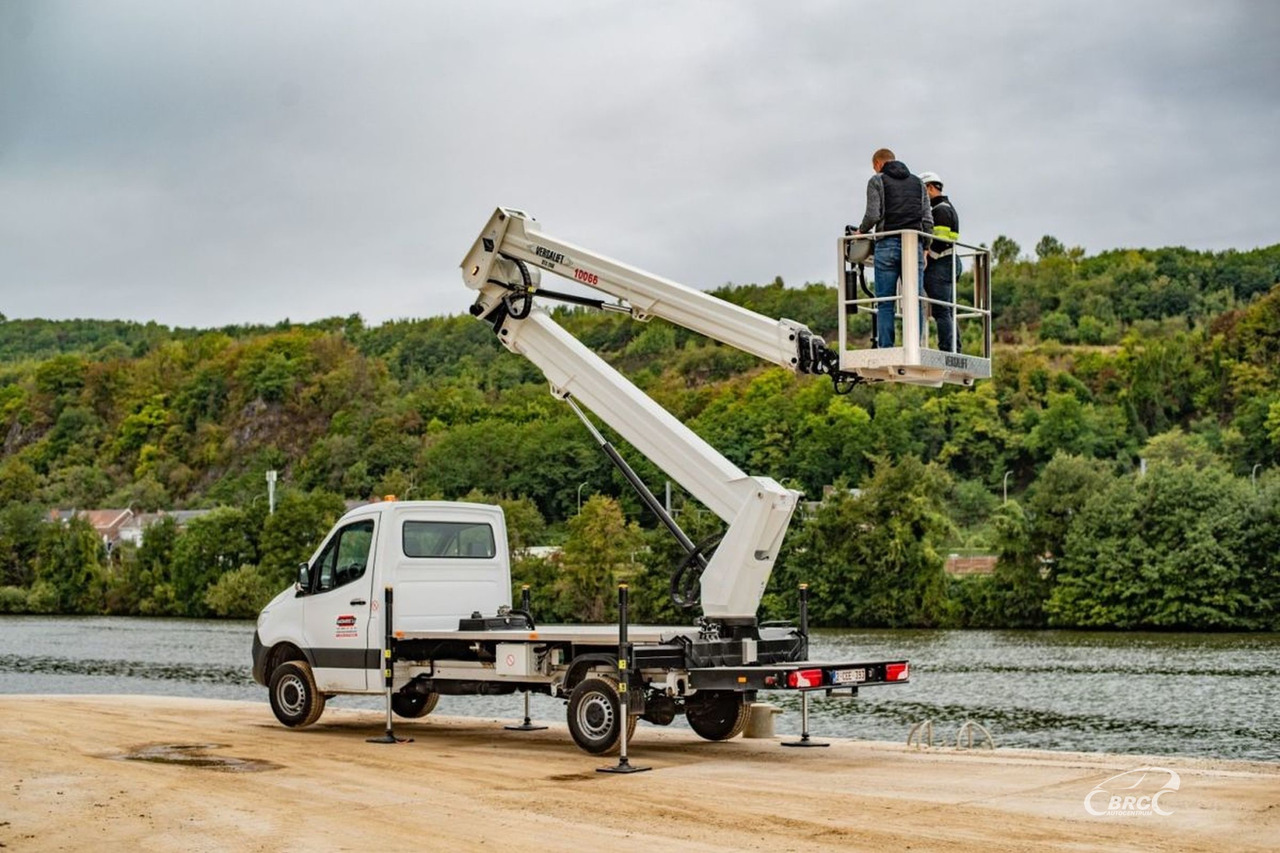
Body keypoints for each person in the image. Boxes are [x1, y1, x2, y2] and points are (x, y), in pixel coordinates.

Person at [854, 148, 932, 349]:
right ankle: (915, 345)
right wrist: (926, 247)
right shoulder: (918, 183)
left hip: (887, 244)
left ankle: (886, 346)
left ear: (878, 164)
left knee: (885, 301)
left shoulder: (877, 181)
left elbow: (873, 214)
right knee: (914, 299)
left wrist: (861, 231)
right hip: (914, 243)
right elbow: (927, 219)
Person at [918, 171, 961, 353]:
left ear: (930, 188)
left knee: (941, 312)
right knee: (948, 311)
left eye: (922, 192)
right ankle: (954, 348)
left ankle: (947, 349)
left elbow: (940, 240)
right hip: (949, 263)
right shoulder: (947, 207)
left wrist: (928, 257)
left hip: (941, 264)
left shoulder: (940, 210)